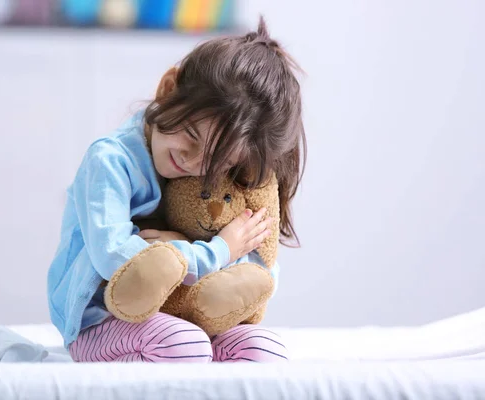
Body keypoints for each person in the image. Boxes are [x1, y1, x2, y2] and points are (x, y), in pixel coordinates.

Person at [48, 16, 306, 363]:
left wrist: (220, 256)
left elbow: (260, 267)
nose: (193, 161)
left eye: (220, 162)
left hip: (188, 316)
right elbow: (114, 258)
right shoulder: (109, 161)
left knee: (265, 351)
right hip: (105, 316)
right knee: (183, 346)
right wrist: (214, 252)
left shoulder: (220, 170)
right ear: (169, 89)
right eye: (191, 135)